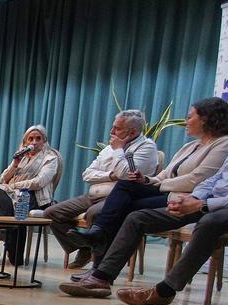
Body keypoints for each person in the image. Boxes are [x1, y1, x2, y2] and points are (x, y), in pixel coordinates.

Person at [60, 79, 228, 305]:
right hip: (214, 201)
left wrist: (203, 205)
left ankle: (165, 290)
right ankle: (101, 278)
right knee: (138, 217)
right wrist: (197, 197)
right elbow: (218, 176)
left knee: (210, 222)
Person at [76, 97, 228, 264]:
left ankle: (99, 262)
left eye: (190, 117)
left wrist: (160, 184)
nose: (186, 121)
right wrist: (147, 179)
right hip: (167, 191)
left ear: (206, 119)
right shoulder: (190, 146)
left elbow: (197, 180)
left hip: (186, 198)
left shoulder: (226, 142)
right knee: (126, 185)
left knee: (122, 208)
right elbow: (165, 173)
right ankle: (98, 237)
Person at [44, 110, 157, 269]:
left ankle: (98, 266)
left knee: (95, 213)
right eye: (113, 127)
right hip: (93, 194)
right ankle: (85, 248)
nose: (111, 131)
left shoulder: (147, 147)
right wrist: (110, 175)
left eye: (117, 128)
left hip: (118, 198)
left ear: (132, 132)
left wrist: (118, 151)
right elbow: (87, 174)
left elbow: (125, 174)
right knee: (51, 213)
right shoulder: (109, 147)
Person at [0, 125, 63, 265]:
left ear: (44, 141)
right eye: (30, 139)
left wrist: (13, 186)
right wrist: (15, 164)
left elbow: (39, 182)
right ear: (25, 142)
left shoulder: (50, 158)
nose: (34, 142)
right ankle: (11, 250)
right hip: (11, 195)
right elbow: (3, 179)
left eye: (38, 139)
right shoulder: (21, 157)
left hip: (34, 197)